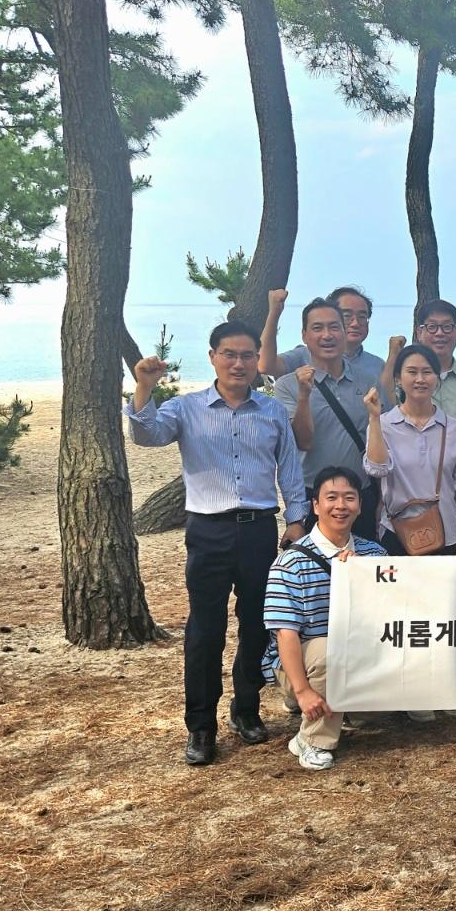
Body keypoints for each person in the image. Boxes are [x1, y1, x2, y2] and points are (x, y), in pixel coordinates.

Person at [125, 321, 308, 766]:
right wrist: (144, 389)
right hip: (207, 531)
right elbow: (146, 434)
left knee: (257, 624)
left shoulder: (271, 411)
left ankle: (245, 708)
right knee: (205, 630)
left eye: (247, 355)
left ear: (256, 360)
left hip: (259, 529)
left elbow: (289, 468)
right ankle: (201, 725)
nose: (238, 363)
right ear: (213, 357)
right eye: (229, 354)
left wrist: (297, 518)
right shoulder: (186, 408)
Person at [263, 465, 387, 770]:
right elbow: (285, 634)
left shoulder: (375, 555)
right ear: (316, 505)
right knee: (330, 651)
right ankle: (313, 739)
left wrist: (365, 575)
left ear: (360, 505)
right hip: (303, 664)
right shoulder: (290, 562)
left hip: (357, 657)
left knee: (373, 710)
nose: (341, 505)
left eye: (349, 498)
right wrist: (303, 690)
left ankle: (341, 708)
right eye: (331, 498)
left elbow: (390, 614)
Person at [273, 299, 379, 540]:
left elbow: (378, 440)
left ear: (344, 332)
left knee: (363, 561)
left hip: (360, 494)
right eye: (317, 328)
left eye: (334, 327)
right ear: (304, 335)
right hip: (313, 496)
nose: (327, 335)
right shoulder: (287, 385)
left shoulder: (367, 381)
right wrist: (304, 395)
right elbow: (303, 441)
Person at [363, 345, 456, 557]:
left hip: (448, 534)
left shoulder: (454, 428)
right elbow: (377, 469)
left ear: (437, 377)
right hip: (397, 533)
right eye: (412, 372)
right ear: (398, 379)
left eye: (427, 372)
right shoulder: (383, 424)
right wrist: (374, 418)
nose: (420, 379)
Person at [258, 286, 385, 388]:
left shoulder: (378, 365)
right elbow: (265, 365)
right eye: (347, 316)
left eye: (362, 317)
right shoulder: (302, 355)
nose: (355, 323)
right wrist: (274, 312)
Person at [395, 298, 456, 426]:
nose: (440, 333)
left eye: (447, 327)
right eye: (432, 327)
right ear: (419, 333)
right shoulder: (405, 380)